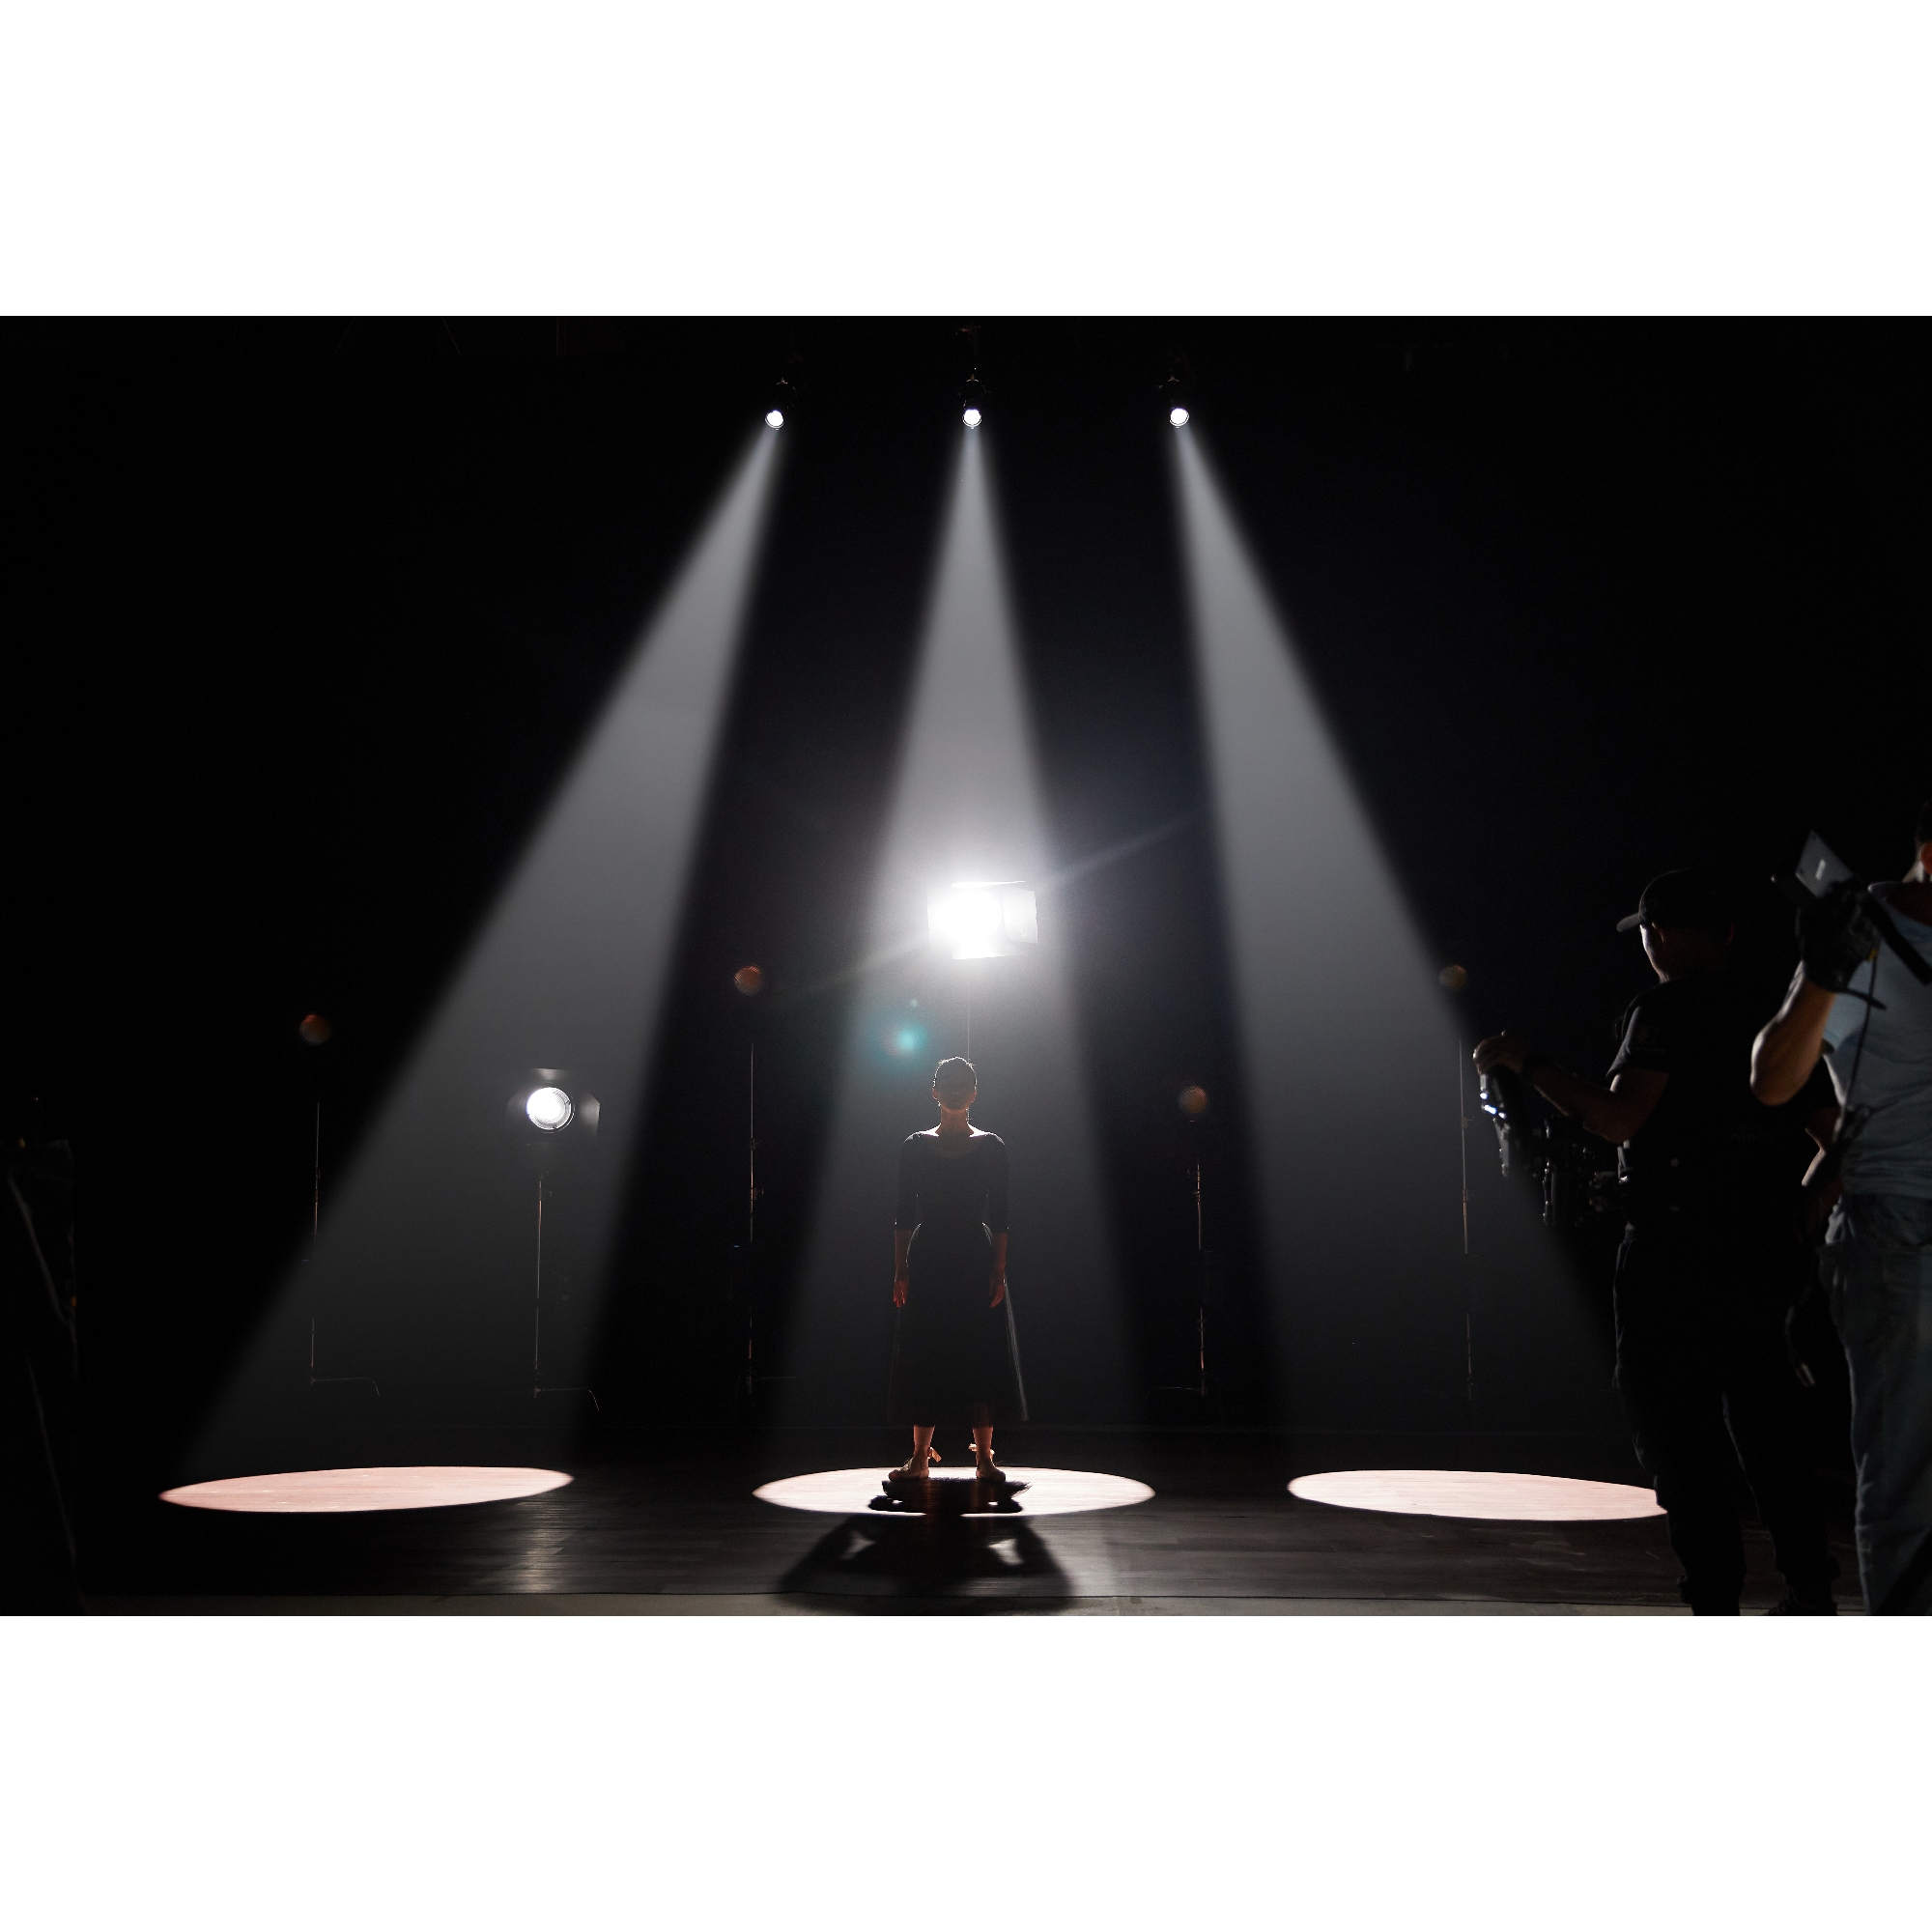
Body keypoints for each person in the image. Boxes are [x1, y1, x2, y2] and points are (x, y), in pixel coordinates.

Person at [1475, 867, 1840, 1614]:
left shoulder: (1663, 1010)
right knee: (1771, 1430)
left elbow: (1617, 1120)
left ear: (1659, 935)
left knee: (1679, 1437)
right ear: (1728, 934)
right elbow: (1838, 1135)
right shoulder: (1777, 1014)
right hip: (1765, 1255)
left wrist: (1529, 1064)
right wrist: (1806, 1210)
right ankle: (1810, 1592)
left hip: (1673, 1255)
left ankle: (1714, 1599)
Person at [1750, 802, 1932, 1614]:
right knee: (1906, 1476)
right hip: (1901, 1226)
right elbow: (1772, 1081)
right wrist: (1824, 973)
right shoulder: (1862, 937)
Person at [888, 1056, 1027, 1481]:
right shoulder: (915, 1146)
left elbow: (1001, 1215)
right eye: (946, 1083)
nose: (954, 1091)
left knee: (979, 1350)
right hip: (930, 1256)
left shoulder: (992, 1147)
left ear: (974, 1093)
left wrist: (998, 1268)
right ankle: (919, 1457)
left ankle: (984, 1458)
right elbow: (903, 1213)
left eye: (962, 1084)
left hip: (972, 1255)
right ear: (934, 1091)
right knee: (926, 1349)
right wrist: (901, 1267)